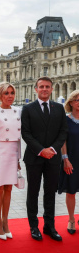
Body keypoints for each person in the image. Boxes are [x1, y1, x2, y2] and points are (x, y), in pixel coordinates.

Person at [21, 76, 67, 241]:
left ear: (52, 89)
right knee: (32, 193)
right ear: (36, 89)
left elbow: (63, 132)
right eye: (41, 87)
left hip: (53, 158)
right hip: (34, 157)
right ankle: (34, 226)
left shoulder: (59, 108)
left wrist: (53, 149)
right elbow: (25, 133)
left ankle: (49, 226)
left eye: (47, 86)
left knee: (50, 193)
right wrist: (41, 150)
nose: (44, 89)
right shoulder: (27, 109)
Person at [0, 82, 21, 240]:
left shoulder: (18, 111)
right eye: (6, 93)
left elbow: (18, 138)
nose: (10, 96)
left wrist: (19, 158)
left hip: (12, 154)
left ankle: (6, 221)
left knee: (9, 189)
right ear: (0, 95)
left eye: (12, 93)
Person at [58, 90, 79, 234]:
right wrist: (65, 159)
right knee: (71, 191)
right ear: (71, 102)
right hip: (71, 159)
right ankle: (71, 219)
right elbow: (62, 141)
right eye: (77, 100)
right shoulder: (65, 120)